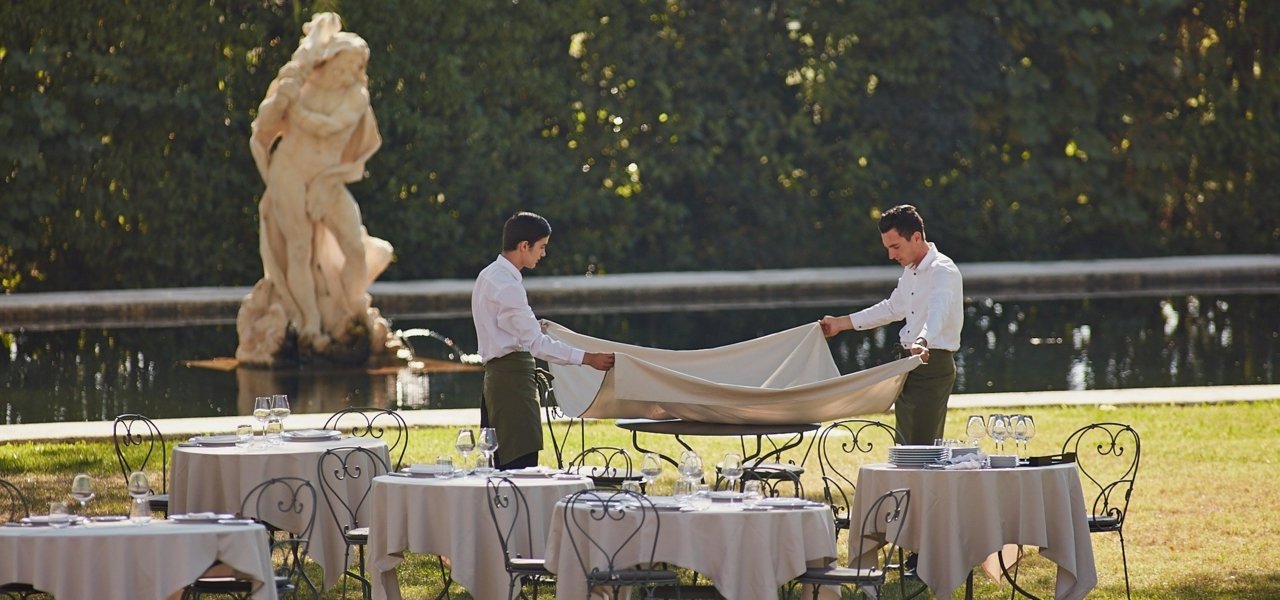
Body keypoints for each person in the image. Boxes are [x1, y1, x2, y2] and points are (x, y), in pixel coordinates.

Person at [243, 12, 391, 361]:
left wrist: (294, 108)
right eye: (347, 63)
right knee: (299, 246)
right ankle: (309, 323)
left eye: (357, 66)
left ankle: (351, 305)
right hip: (290, 169)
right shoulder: (300, 79)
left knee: (354, 245)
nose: (351, 72)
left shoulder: (355, 97)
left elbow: (329, 127)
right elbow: (264, 124)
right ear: (331, 58)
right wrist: (282, 98)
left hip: (327, 177)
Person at [471, 212, 615, 469]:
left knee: (498, 465)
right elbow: (537, 345)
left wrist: (531, 328)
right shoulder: (508, 286)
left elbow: (501, 327)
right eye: (542, 247)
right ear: (524, 246)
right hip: (511, 386)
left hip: (496, 382)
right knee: (519, 467)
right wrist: (588, 358)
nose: (543, 254)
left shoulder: (488, 275)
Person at [820, 204, 963, 445]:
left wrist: (922, 340)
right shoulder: (911, 271)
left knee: (921, 450)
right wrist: (840, 324)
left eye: (895, 247)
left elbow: (938, 312)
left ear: (916, 238)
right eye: (887, 248)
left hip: (931, 365)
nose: (891, 255)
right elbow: (892, 308)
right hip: (907, 365)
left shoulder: (943, 270)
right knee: (905, 448)